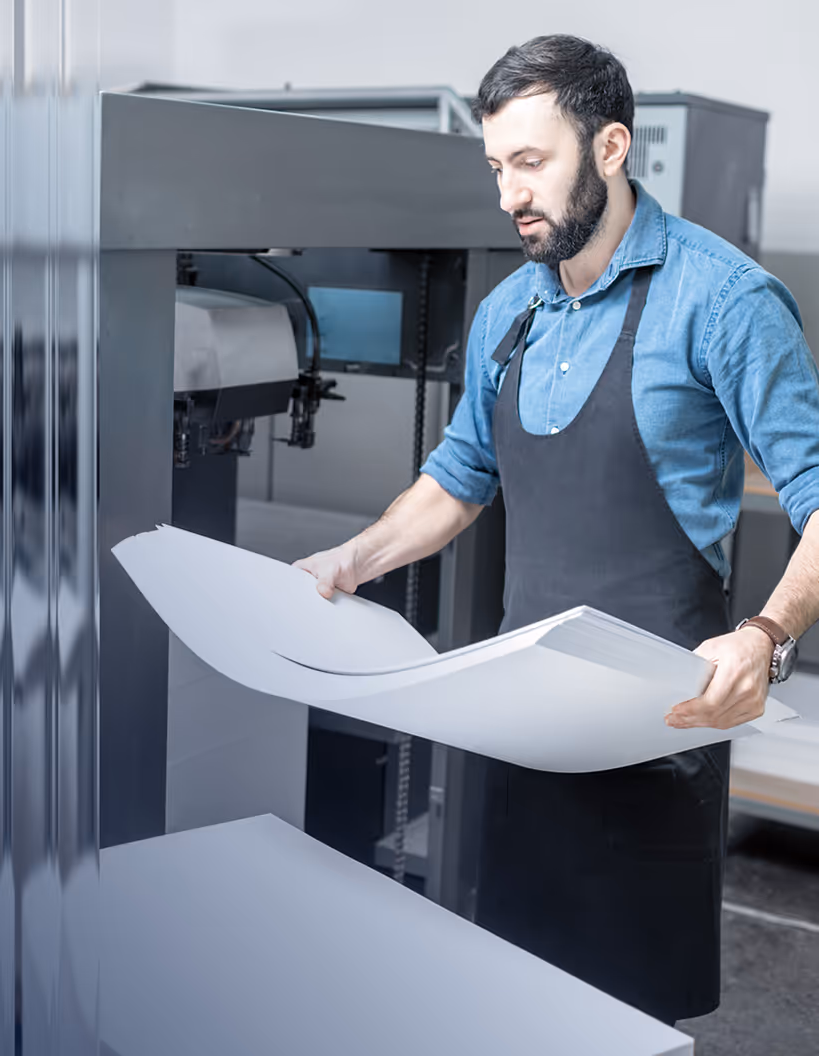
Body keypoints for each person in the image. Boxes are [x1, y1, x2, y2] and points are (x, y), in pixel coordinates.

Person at [296, 34, 819, 1025]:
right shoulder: (509, 309)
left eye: (530, 162)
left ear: (611, 146)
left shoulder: (724, 301)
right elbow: (458, 478)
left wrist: (766, 634)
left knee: (624, 1016)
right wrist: (350, 560)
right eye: (497, 166)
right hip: (519, 726)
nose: (508, 193)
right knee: (517, 999)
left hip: (657, 731)